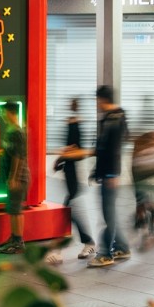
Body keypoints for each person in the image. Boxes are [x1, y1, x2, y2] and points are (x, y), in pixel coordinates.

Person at [47, 98, 95, 265]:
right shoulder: (71, 123)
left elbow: (77, 151)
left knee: (66, 214)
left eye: (73, 103)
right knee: (70, 213)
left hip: (75, 176)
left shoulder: (76, 125)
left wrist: (61, 157)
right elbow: (71, 149)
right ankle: (88, 243)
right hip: (70, 175)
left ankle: (59, 250)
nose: (70, 105)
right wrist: (61, 159)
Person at [88, 85, 130, 268]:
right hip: (106, 172)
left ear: (103, 99)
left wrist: (112, 173)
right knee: (110, 212)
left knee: (108, 214)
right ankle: (122, 247)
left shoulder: (114, 120)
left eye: (97, 100)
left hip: (110, 174)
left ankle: (106, 253)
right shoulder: (114, 118)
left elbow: (113, 149)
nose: (96, 104)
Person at [0, 100, 29, 254]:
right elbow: (10, 150)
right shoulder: (12, 130)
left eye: (3, 112)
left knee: (16, 210)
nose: (1, 115)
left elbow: (19, 157)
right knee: (13, 209)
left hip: (19, 178)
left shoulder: (17, 132)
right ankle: (14, 238)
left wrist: (14, 178)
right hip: (14, 177)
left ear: (11, 113)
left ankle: (18, 242)